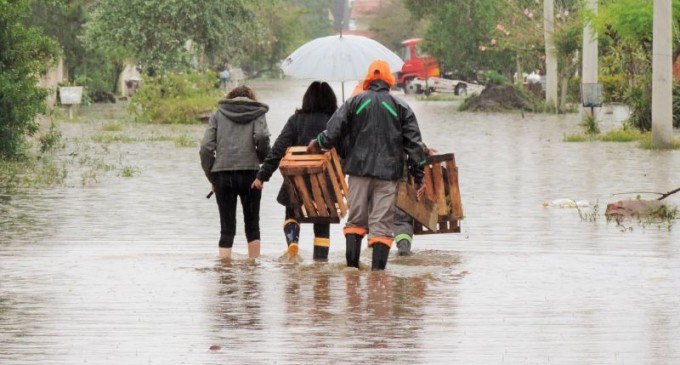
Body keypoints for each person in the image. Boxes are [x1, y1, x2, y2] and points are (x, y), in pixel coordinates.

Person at [308, 59, 427, 271]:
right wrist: (419, 178)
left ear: (368, 79)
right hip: (388, 176)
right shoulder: (401, 106)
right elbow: (415, 146)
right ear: (389, 80)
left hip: (358, 173)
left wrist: (317, 143)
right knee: (381, 227)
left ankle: (352, 272)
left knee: (355, 221)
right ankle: (378, 277)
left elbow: (333, 132)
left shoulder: (354, 102)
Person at [251, 81, 338, 261]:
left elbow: (278, 149)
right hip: (325, 185)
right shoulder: (336, 121)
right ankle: (320, 264)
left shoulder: (296, 120)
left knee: (291, 211)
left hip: (297, 183)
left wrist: (262, 176)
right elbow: (346, 151)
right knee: (322, 222)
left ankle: (293, 242)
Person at [200, 85, 271, 260]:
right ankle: (253, 272)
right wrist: (261, 159)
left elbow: (205, 148)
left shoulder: (218, 114)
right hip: (251, 174)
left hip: (222, 175)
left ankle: (224, 271)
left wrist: (212, 176)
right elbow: (262, 137)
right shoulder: (257, 113)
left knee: (226, 227)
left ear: (230, 97)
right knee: (252, 225)